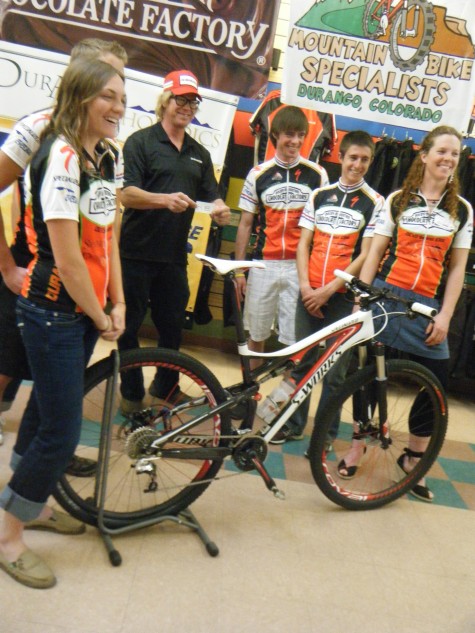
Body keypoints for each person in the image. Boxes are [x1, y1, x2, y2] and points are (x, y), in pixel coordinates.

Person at [0, 58, 126, 589]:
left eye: (122, 97)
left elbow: (108, 234)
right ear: (79, 99)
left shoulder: (107, 155)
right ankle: (7, 535)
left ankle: (28, 504)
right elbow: (70, 258)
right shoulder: (62, 157)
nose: (118, 108)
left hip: (82, 314)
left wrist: (116, 302)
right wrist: (99, 314)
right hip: (53, 310)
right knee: (61, 430)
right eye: (107, 97)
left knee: (43, 417)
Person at [340, 125, 473, 501]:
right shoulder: (397, 200)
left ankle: (413, 457)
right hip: (385, 295)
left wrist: (445, 315)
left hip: (426, 303)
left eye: (455, 154)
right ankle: (358, 445)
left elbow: (458, 269)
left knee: (436, 380)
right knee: (364, 372)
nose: (448, 159)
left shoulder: (461, 209)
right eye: (442, 151)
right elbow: (376, 251)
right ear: (425, 155)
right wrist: (360, 298)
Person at [118, 69, 230, 413]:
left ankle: (165, 388)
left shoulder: (199, 152)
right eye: (181, 99)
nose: (188, 106)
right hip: (135, 253)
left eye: (193, 101)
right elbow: (126, 195)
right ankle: (132, 394)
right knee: (130, 327)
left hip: (173, 258)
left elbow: (212, 196)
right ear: (165, 101)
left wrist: (220, 208)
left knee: (172, 328)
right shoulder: (141, 142)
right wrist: (164, 199)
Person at [272, 131, 384, 445]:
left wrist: (330, 289)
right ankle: (291, 424)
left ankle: (324, 433)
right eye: (353, 158)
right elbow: (302, 245)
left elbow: (366, 254)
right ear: (341, 158)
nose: (357, 165)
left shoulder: (375, 202)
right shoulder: (319, 195)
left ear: (370, 163)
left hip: (341, 298)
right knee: (302, 362)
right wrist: (307, 287)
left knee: (335, 373)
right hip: (308, 294)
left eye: (364, 160)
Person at [234, 106, 329, 370]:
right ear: (275, 135)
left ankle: (285, 401)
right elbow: (245, 223)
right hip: (263, 264)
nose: (296, 141)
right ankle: (251, 393)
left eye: (301, 135)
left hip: (299, 268)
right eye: (289, 134)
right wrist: (240, 272)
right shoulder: (257, 174)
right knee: (257, 334)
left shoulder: (318, 174)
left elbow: (322, 228)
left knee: (295, 340)